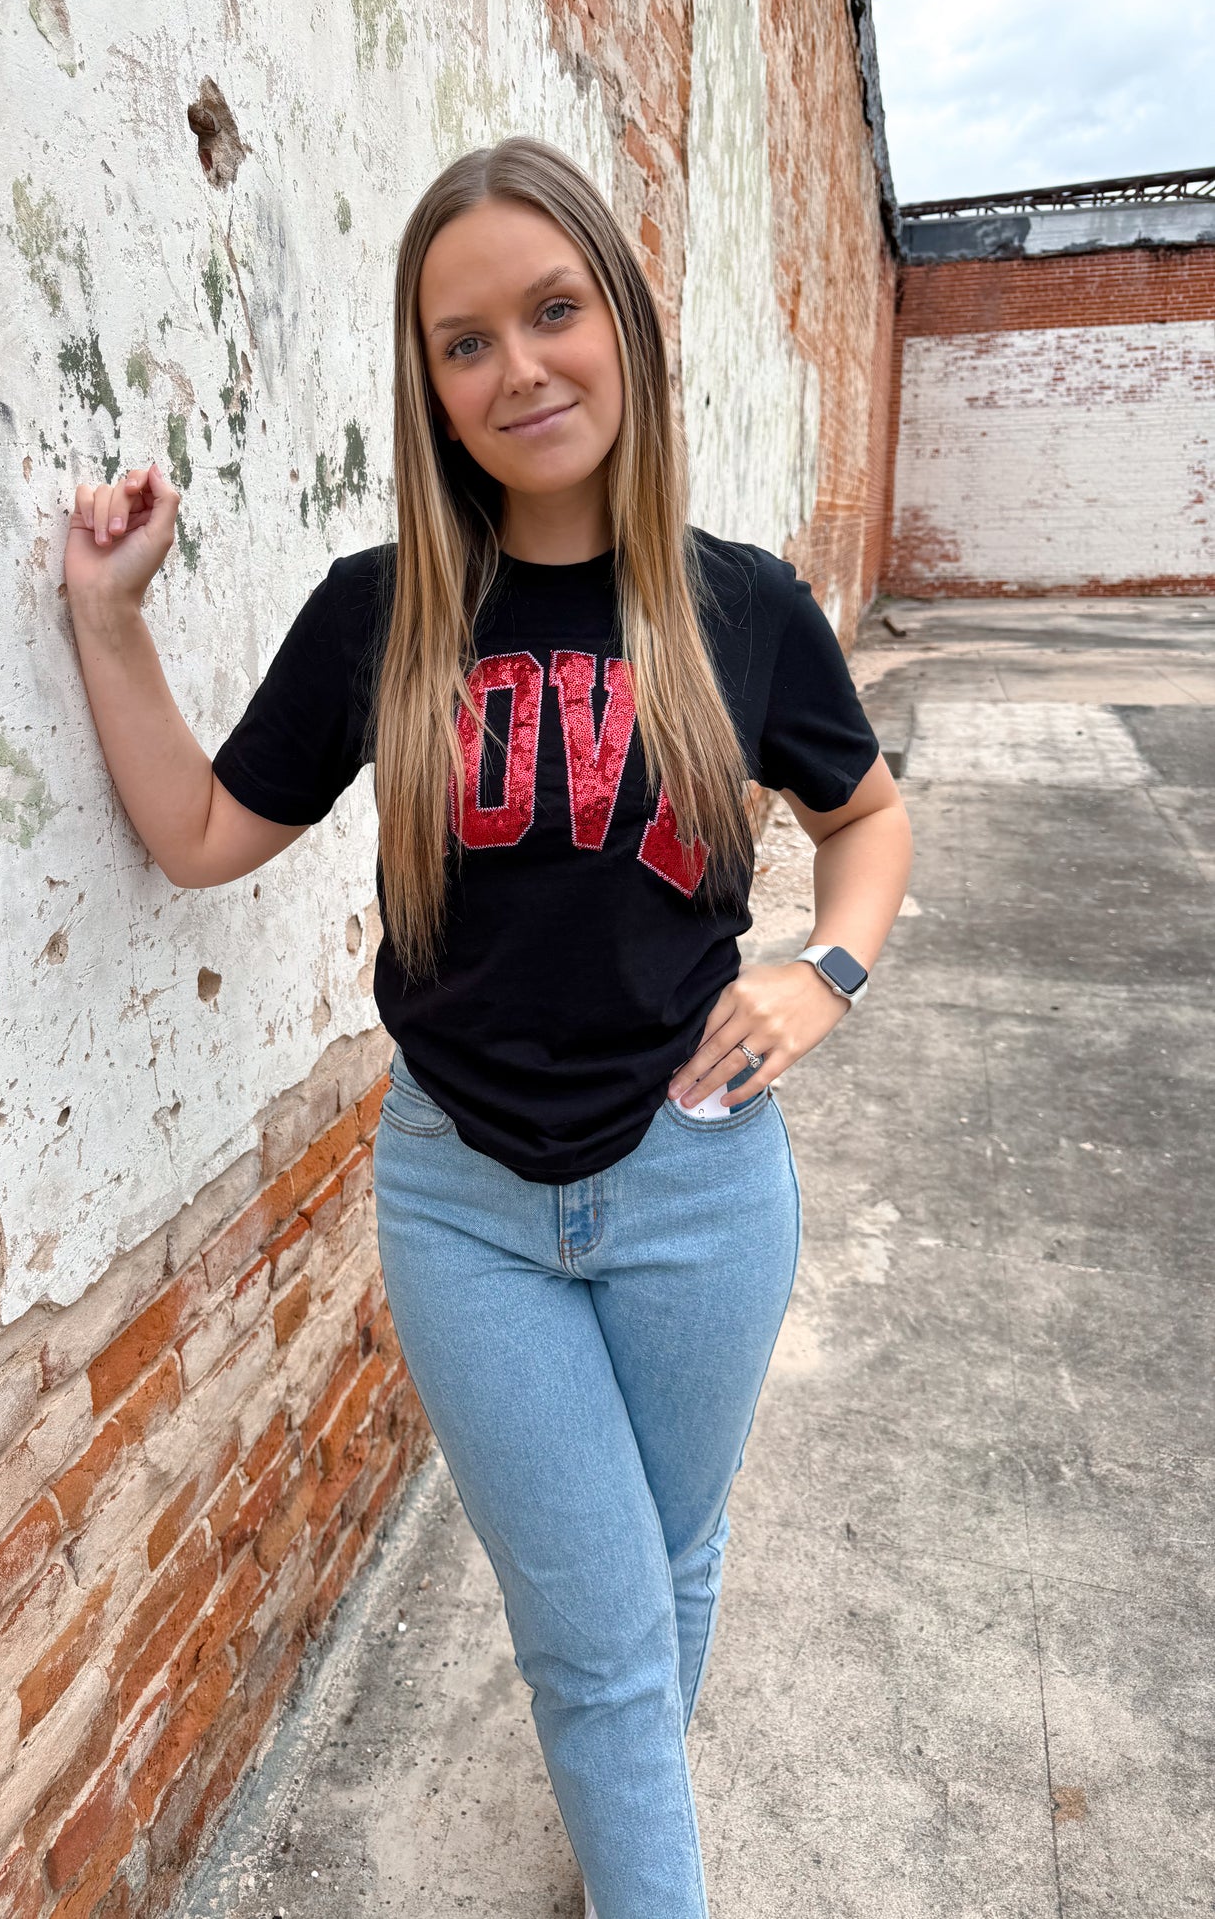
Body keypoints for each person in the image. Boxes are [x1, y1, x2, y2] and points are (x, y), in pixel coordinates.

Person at [62, 135, 911, 1919]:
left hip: (698, 1182)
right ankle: (642, 1857)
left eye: (553, 310)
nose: (518, 366)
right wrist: (108, 625)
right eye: (465, 341)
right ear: (428, 384)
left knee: (668, 1561)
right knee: (593, 1645)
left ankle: (618, 1844)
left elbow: (865, 818)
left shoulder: (737, 606)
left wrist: (821, 977)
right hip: (464, 1205)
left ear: (622, 326)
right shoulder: (382, 616)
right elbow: (205, 837)